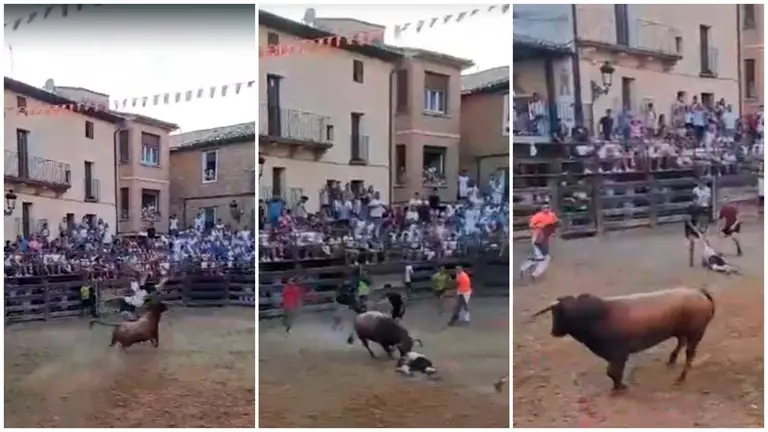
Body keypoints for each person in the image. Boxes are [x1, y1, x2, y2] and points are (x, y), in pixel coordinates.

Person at [519, 204, 559, 281]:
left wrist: (552, 229)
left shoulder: (552, 215)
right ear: (542, 208)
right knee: (543, 258)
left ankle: (526, 269)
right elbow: (531, 225)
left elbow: (556, 223)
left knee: (541, 258)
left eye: (548, 207)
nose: (546, 209)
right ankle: (531, 272)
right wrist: (541, 226)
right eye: (544, 207)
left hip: (545, 238)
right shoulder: (537, 216)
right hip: (538, 238)